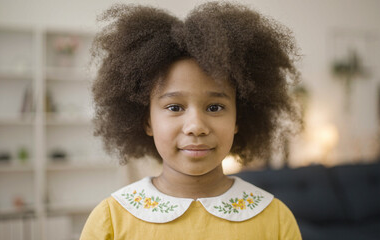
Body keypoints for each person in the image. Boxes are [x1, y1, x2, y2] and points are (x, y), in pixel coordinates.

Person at [81, 1, 302, 239]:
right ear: (147, 121)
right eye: (175, 107)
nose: (196, 126)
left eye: (215, 107)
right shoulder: (110, 220)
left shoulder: (276, 220)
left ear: (239, 117)